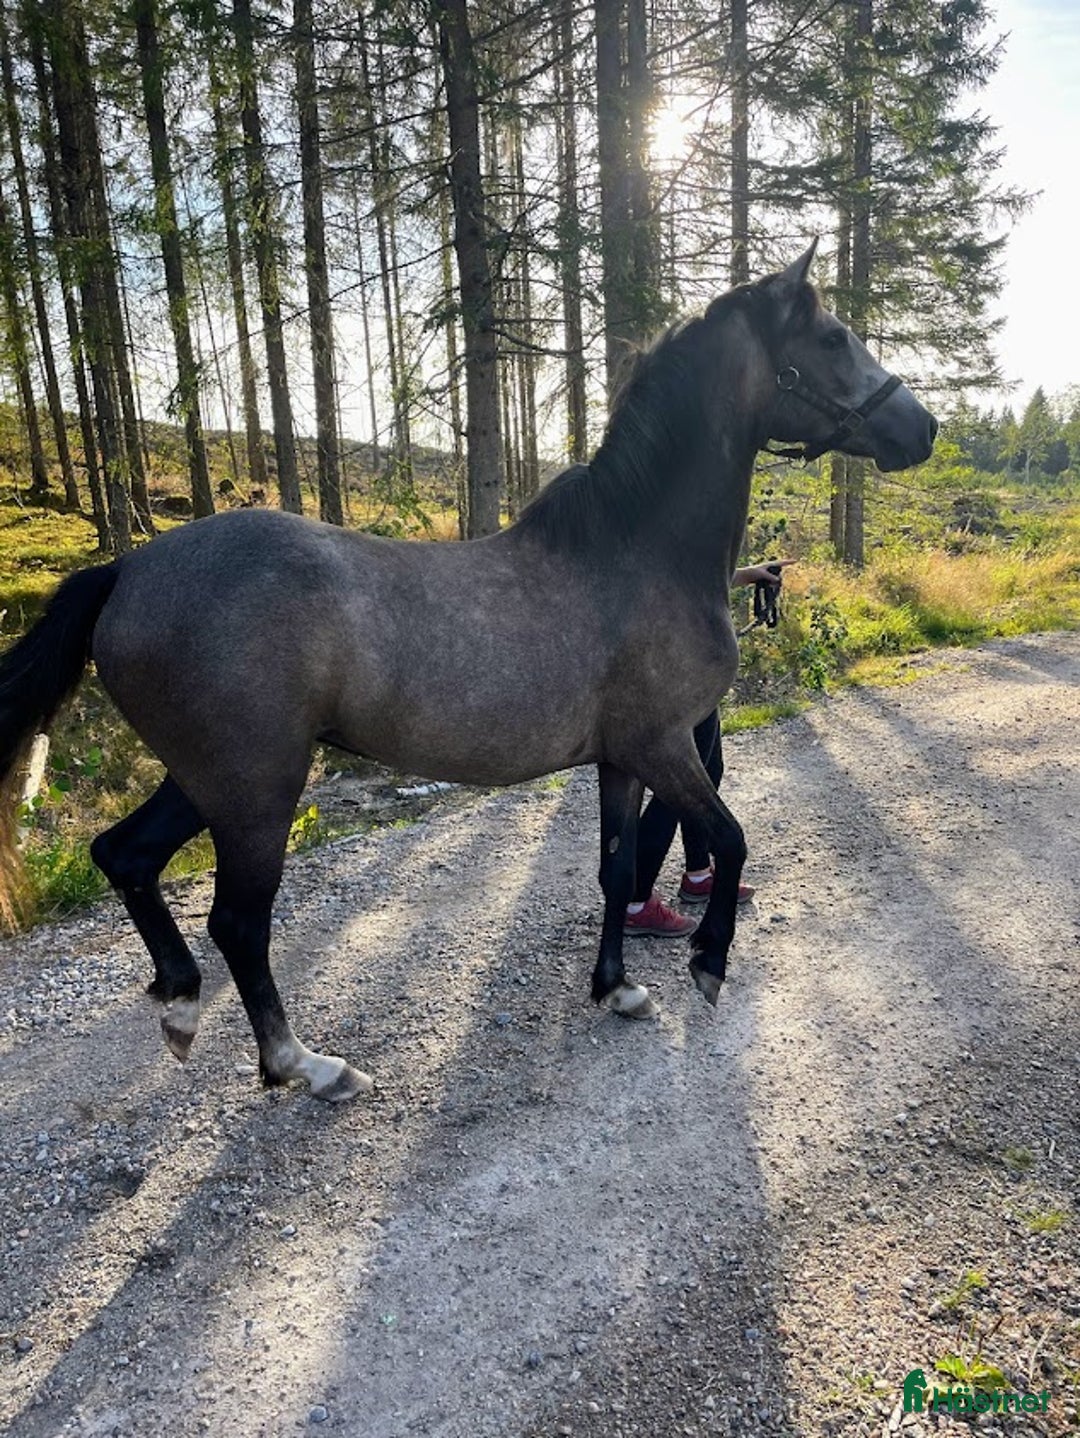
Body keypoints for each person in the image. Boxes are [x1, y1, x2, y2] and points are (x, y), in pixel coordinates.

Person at [624, 560, 794, 936]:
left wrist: (749, 574)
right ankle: (634, 901)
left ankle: (699, 875)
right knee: (680, 784)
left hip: (691, 662)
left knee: (709, 768)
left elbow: (691, 574)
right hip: (668, 664)